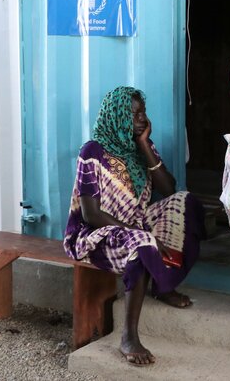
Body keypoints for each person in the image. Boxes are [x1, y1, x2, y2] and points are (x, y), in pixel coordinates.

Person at [63, 86, 204, 366]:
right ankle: (128, 336)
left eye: (143, 112)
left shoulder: (139, 146)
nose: (141, 119)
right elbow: (91, 215)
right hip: (97, 235)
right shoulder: (92, 152)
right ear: (117, 115)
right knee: (140, 245)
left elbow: (168, 187)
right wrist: (136, 233)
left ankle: (163, 286)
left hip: (134, 224)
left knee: (185, 202)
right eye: (134, 113)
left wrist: (143, 145)